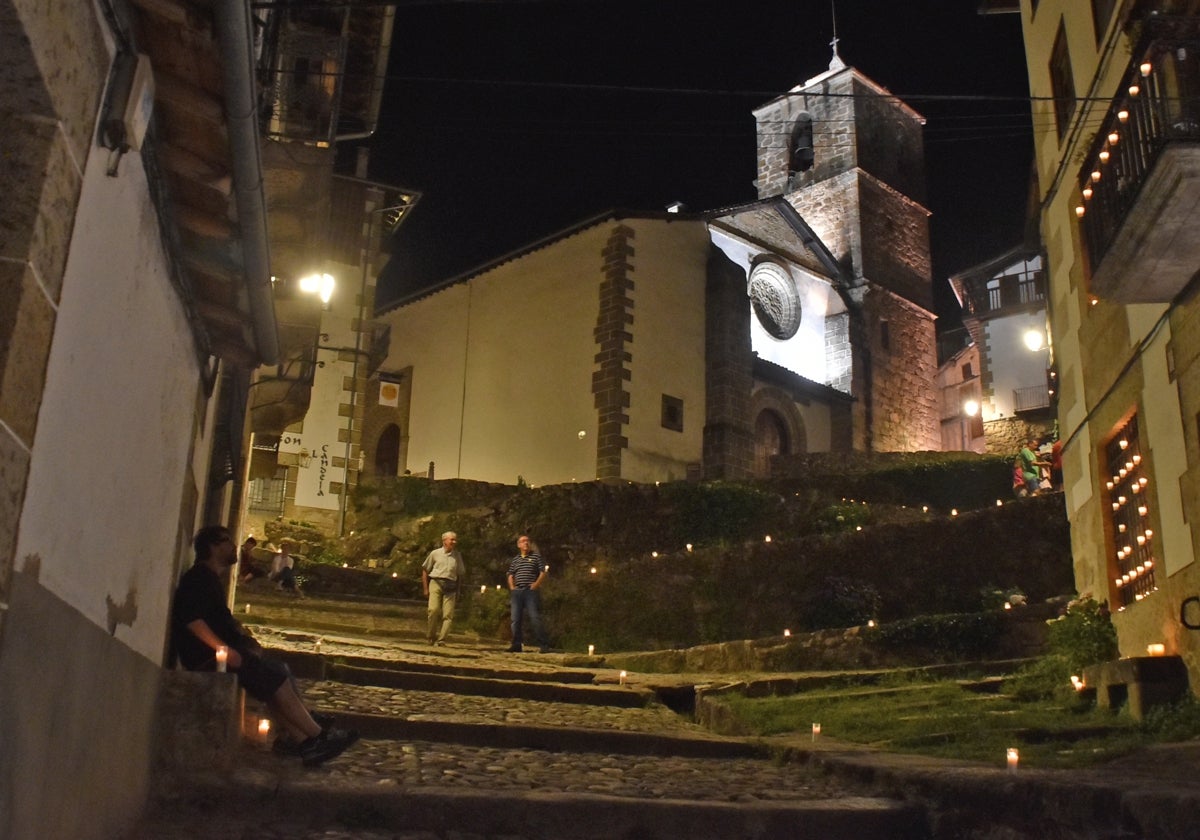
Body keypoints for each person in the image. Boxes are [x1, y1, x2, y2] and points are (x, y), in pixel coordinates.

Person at [171, 525, 358, 767]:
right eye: (227, 541)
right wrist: (225, 651)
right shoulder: (198, 577)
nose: (233, 546)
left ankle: (304, 739)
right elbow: (193, 620)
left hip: (226, 653)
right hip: (208, 657)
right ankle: (317, 735)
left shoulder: (210, 579)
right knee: (274, 677)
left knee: (277, 672)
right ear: (213, 547)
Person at [506, 534, 550, 653]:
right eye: (523, 541)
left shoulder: (536, 557)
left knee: (534, 617)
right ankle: (516, 644)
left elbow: (542, 572)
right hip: (517, 591)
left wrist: (535, 585)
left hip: (530, 591)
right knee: (515, 619)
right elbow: (510, 574)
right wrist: (512, 587)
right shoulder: (516, 559)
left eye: (527, 541)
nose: (526, 543)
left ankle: (544, 644)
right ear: (518, 545)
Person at [421, 531, 465, 646]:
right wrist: (425, 588)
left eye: (455, 540)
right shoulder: (435, 554)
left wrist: (458, 590)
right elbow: (425, 570)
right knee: (433, 610)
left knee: (448, 614)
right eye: (452, 539)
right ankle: (431, 636)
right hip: (436, 582)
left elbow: (460, 574)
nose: (454, 542)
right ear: (444, 541)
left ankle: (441, 639)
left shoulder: (457, 556)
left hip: (451, 585)